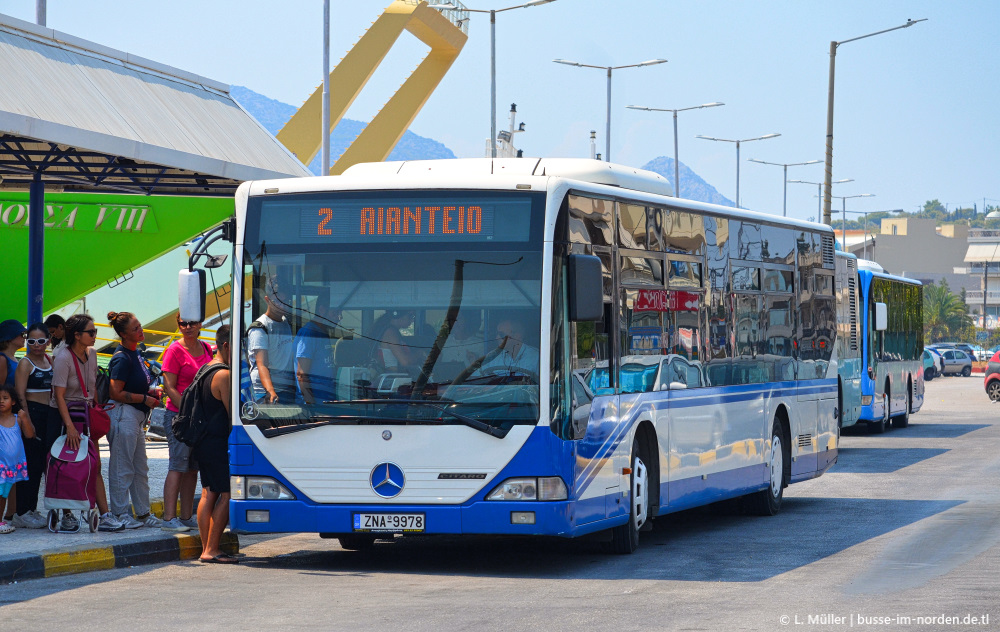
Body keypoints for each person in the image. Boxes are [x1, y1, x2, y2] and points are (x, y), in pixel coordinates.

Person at [49, 314, 123, 532]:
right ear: (77, 335)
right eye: (91, 332)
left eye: (95, 332)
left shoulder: (92, 354)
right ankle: (68, 515)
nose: (95, 336)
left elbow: (92, 389)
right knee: (67, 466)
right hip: (64, 415)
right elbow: (59, 395)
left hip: (86, 413)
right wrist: (70, 427)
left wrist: (96, 413)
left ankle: (105, 514)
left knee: (94, 464)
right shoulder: (63, 357)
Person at [106, 311, 162, 529]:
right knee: (122, 467)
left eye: (140, 326)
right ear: (123, 334)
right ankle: (120, 513)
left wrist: (150, 395)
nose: (141, 331)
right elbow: (114, 392)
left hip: (136, 417)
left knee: (140, 468)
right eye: (136, 328)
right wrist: (145, 398)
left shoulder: (135, 353)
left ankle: (143, 512)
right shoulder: (121, 357)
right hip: (124, 414)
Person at [159, 315, 213, 532]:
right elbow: (169, 387)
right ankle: (169, 518)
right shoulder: (174, 350)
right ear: (178, 325)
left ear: (200, 324)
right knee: (177, 466)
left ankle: (185, 515)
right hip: (179, 416)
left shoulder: (207, 348)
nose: (188, 327)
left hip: (199, 418)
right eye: (183, 324)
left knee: (192, 469)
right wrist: (188, 410)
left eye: (192, 323)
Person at [194, 325, 236, 563]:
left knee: (208, 493)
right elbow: (233, 415)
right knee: (228, 493)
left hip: (202, 441)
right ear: (226, 346)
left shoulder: (204, 369)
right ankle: (211, 549)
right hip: (218, 442)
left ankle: (206, 547)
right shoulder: (224, 375)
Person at [10, 323, 52, 529]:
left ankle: (31, 508)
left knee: (41, 464)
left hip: (48, 415)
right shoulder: (25, 364)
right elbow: (19, 395)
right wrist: (28, 421)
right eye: (32, 341)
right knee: (30, 464)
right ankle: (21, 511)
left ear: (48, 341)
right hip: (32, 413)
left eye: (41, 341)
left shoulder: (49, 360)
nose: (36, 345)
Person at [248, 280, 295, 404]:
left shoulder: (285, 322)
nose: (283, 306)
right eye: (278, 302)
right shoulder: (260, 327)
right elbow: (261, 364)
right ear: (267, 299)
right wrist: (270, 390)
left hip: (284, 388)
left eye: (286, 302)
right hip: (264, 392)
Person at [0, 385, 30, 534]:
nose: (1, 401)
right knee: (0, 493)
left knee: (4, 494)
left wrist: (25, 418)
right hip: (1, 466)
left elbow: (30, 435)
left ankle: (2, 520)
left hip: (11, 467)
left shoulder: (18, 419)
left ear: (13, 401)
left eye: (5, 398)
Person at [295, 305, 340, 405]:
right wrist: (312, 405)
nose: (338, 318)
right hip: (315, 404)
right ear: (322, 309)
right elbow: (301, 374)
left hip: (326, 401)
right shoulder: (309, 333)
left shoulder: (323, 333)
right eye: (335, 313)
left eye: (340, 314)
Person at [0, 319, 27, 389]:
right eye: (22, 334)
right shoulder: (2, 359)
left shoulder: (12, 358)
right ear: (10, 336)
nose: (25, 337)